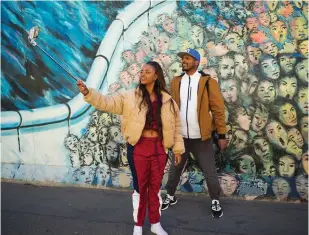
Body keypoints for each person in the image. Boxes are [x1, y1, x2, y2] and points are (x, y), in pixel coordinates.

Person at [77, 61, 184, 235]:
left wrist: (178, 149)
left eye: (147, 72)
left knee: (155, 188)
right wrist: (88, 93)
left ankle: (156, 224)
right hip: (138, 147)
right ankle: (138, 225)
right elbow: (106, 102)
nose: (142, 74)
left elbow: (177, 126)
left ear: (156, 76)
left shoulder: (168, 100)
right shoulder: (129, 96)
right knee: (140, 188)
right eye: (141, 71)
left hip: (159, 149)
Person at [162, 48, 228, 218]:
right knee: (175, 170)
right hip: (181, 137)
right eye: (183, 58)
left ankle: (215, 200)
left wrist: (222, 135)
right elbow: (171, 108)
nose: (184, 61)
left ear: (196, 62)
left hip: (202, 138)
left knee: (209, 171)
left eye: (187, 58)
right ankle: (170, 196)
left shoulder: (207, 82)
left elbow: (218, 109)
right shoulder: (176, 82)